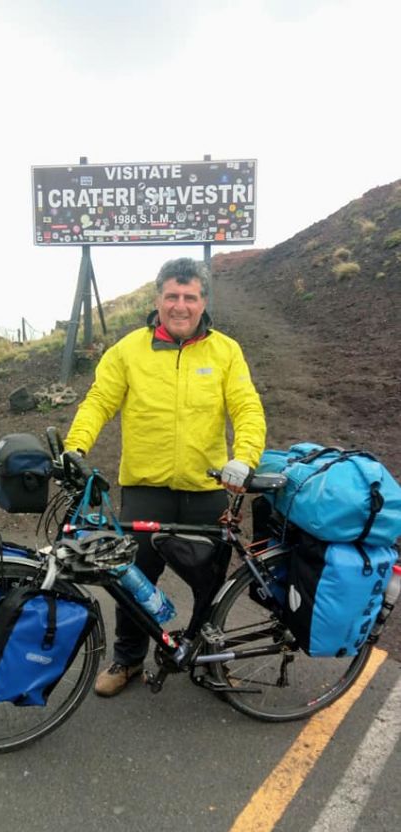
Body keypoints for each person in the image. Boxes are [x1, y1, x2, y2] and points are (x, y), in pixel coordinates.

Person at [64, 257, 266, 696]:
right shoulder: (128, 350)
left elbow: (247, 408)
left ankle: (210, 658)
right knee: (133, 579)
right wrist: (75, 447)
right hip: (145, 488)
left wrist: (245, 457)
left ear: (203, 302)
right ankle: (128, 659)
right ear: (157, 300)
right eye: (172, 296)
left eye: (189, 297)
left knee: (210, 585)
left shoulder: (225, 351)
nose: (180, 305)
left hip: (207, 489)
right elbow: (99, 400)